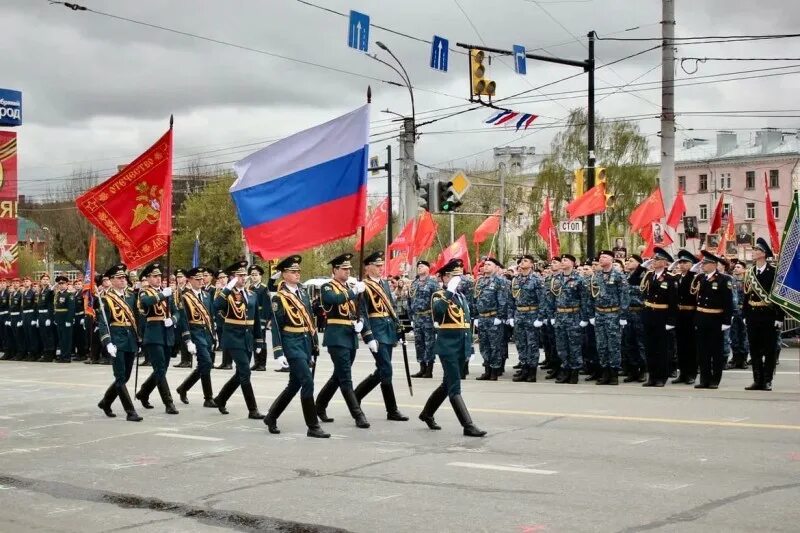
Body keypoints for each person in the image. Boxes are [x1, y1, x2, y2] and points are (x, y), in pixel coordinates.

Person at [419, 259, 486, 437]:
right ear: (445, 277)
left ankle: (427, 413)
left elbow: (466, 324)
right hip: (447, 346)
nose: (459, 279)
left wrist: (469, 348)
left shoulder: (461, 296)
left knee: (447, 384)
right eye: (455, 276)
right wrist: (448, 291)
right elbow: (438, 312)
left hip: (460, 345)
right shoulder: (439, 295)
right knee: (454, 386)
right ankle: (468, 425)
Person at [264, 255, 329, 438]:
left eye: (298, 271)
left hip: (305, 341)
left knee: (294, 384)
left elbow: (309, 318)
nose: (297, 274)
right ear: (284, 274)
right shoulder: (279, 297)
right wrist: (278, 352)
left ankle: (271, 416)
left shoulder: (302, 292)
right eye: (293, 271)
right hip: (291, 342)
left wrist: (314, 343)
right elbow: (276, 325)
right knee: (307, 381)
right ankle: (313, 426)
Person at [314, 253, 371, 429]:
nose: (347, 271)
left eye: (348, 269)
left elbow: (357, 310)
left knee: (338, 376)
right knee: (346, 378)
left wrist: (360, 324)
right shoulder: (327, 287)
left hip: (350, 336)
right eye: (343, 269)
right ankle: (358, 415)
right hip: (336, 337)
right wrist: (353, 292)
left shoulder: (352, 287)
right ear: (335, 270)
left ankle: (320, 405)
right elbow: (334, 300)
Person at [353, 251, 408, 421]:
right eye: (376, 266)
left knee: (383, 369)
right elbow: (361, 312)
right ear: (367, 267)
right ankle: (391, 410)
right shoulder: (364, 286)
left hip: (388, 329)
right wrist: (368, 336)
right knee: (386, 368)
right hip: (376, 330)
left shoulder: (384, 283)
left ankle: (355, 397)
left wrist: (399, 328)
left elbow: (391, 306)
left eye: (380, 265)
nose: (380, 268)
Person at [209, 261, 264, 419]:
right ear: (233, 277)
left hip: (247, 338)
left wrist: (259, 340)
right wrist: (227, 288)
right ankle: (252, 409)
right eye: (239, 275)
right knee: (246, 372)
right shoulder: (227, 294)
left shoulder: (252, 294)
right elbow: (216, 306)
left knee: (241, 373)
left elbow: (256, 319)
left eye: (244, 275)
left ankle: (221, 399)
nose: (242, 278)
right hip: (233, 337)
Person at [95, 264, 143, 422]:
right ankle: (130, 412)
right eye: (119, 278)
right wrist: (107, 342)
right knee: (120, 377)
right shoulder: (105, 298)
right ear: (111, 280)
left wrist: (139, 337)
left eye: (124, 278)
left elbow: (136, 317)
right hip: (116, 340)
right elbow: (103, 323)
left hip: (130, 339)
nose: (123, 280)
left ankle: (106, 402)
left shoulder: (131, 295)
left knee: (126, 376)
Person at [135, 263, 179, 415]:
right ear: (147, 278)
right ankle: (169, 402)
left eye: (160, 276)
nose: (158, 278)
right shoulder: (144, 292)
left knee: (162, 369)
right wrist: (162, 295)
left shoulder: (166, 292)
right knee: (160, 369)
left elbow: (177, 311)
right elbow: (146, 303)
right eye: (154, 276)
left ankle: (144, 392)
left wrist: (173, 319)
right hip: (153, 335)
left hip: (167, 334)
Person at [743, 238, 784, 391]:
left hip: (769, 316)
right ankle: (757, 380)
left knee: (769, 350)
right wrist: (745, 315)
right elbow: (746, 296)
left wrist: (780, 318)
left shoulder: (773, 272)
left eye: (756, 251)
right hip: (753, 316)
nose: (753, 253)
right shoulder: (750, 272)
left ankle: (767, 380)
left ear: (763, 254)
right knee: (754, 349)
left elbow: (779, 297)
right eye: (754, 250)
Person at [175, 267, 218, 408]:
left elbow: (210, 317)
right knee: (205, 362)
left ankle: (183, 388)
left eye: (202, 278)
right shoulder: (185, 296)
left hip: (207, 333)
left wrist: (213, 336)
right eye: (197, 279)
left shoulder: (206, 295)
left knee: (205, 365)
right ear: (190, 280)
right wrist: (188, 340)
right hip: (195, 333)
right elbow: (184, 320)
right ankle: (208, 397)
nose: (201, 281)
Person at [588, 250, 630, 385]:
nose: (601, 259)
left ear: (612, 259)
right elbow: (592, 295)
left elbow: (624, 296)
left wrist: (623, 315)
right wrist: (592, 314)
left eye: (604, 257)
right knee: (601, 345)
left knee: (614, 345)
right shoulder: (597, 275)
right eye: (600, 257)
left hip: (613, 314)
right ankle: (605, 372)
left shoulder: (618, 275)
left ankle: (614, 374)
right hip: (600, 314)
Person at [693, 251, 734, 389]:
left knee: (715, 351)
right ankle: (704, 379)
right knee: (702, 351)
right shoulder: (701, 279)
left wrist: (726, 321)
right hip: (702, 319)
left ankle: (715, 380)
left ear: (714, 265)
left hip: (716, 319)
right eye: (703, 263)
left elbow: (728, 302)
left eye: (705, 263)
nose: (703, 265)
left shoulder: (724, 280)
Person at [548, 254, 589, 384]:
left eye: (565, 260)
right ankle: (565, 369)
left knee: (574, 346)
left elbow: (584, 299)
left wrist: (584, 318)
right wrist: (552, 315)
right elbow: (552, 299)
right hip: (560, 316)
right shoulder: (556, 279)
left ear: (572, 263)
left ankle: (574, 372)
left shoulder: (579, 279)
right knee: (561, 346)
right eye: (562, 260)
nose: (562, 262)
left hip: (573, 315)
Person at [641, 247, 678, 387]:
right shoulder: (649, 275)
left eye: (657, 259)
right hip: (649, 314)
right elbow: (633, 280)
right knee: (650, 347)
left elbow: (674, 302)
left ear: (664, 262)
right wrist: (642, 267)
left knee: (662, 348)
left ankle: (662, 377)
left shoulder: (670, 278)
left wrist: (671, 320)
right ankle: (652, 376)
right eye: (653, 259)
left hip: (662, 316)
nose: (653, 261)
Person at [508, 254, 545, 383]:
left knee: (532, 344)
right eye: (521, 261)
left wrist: (540, 318)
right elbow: (511, 299)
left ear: (531, 264)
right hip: (519, 314)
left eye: (525, 261)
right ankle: (524, 369)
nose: (522, 263)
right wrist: (511, 316)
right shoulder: (516, 279)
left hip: (532, 314)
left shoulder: (536, 279)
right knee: (521, 344)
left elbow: (542, 300)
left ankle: (532, 371)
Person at [473, 257, 509, 381]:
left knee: (495, 346)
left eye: (489, 264)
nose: (486, 266)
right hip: (482, 318)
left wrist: (500, 316)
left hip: (493, 317)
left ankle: (494, 371)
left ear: (495, 267)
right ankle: (487, 370)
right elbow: (476, 299)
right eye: (485, 264)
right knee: (484, 346)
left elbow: (503, 300)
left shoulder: (500, 281)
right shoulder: (480, 281)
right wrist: (476, 316)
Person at [409, 260, 439, 378]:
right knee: (419, 343)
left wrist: (436, 318)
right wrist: (411, 316)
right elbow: (410, 300)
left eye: (422, 266)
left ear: (428, 268)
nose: (419, 268)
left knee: (429, 343)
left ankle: (429, 369)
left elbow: (437, 301)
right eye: (418, 266)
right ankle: (422, 367)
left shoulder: (432, 283)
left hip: (428, 317)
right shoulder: (414, 283)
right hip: (417, 317)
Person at [673, 250, 699, 385]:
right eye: (680, 262)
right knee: (681, 346)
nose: (682, 265)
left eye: (685, 262)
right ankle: (682, 373)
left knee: (691, 346)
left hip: (691, 315)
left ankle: (691, 373)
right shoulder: (677, 278)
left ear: (692, 264)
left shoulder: (695, 278)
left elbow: (698, 299)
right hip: (679, 315)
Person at [622, 255, 647, 382]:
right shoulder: (624, 277)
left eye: (631, 261)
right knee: (629, 342)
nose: (627, 263)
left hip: (639, 312)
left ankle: (643, 370)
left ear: (639, 264)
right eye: (626, 261)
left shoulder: (643, 277)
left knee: (640, 343)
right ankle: (632, 371)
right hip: (627, 313)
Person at [728, 261, 749, 369]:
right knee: (734, 335)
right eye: (735, 267)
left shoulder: (747, 281)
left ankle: (744, 359)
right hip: (734, 312)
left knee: (744, 335)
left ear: (744, 269)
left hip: (744, 312)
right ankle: (735, 358)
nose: (735, 268)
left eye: (738, 267)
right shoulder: (731, 281)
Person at [52, 276, 74, 363]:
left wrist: (69, 320)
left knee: (66, 339)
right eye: (59, 284)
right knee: (61, 338)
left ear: (67, 284)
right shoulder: (57, 295)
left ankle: (66, 357)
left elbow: (71, 309)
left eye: (63, 283)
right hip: (59, 319)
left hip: (66, 319)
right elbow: (56, 308)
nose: (61, 285)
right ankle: (62, 355)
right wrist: (55, 319)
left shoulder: (69, 295)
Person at [36, 274, 56, 363]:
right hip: (41, 315)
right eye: (43, 279)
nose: (45, 280)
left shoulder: (49, 290)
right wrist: (37, 318)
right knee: (43, 335)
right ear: (41, 281)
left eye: (47, 279)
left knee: (49, 336)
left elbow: (51, 305)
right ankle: (46, 353)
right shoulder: (41, 291)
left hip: (47, 315)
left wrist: (49, 318)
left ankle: (50, 355)